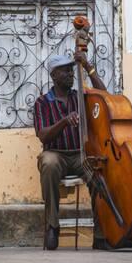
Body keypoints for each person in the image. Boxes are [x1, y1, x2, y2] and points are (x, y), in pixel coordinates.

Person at [34, 52, 107, 250]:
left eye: (71, 70)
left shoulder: (79, 97)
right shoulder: (42, 102)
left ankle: (102, 231)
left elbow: (104, 95)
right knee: (48, 163)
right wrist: (64, 122)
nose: (70, 74)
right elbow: (43, 135)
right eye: (65, 71)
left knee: (99, 170)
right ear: (54, 76)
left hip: (79, 154)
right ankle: (52, 226)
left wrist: (87, 65)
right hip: (56, 154)